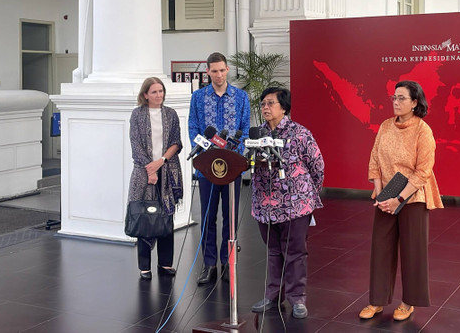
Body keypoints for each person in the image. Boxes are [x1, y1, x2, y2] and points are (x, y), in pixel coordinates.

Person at [359, 80, 443, 321]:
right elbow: (374, 158)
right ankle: (377, 301)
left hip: (412, 197)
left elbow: (423, 171)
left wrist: (399, 198)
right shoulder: (386, 126)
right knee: (380, 249)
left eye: (401, 98)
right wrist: (379, 192)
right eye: (394, 98)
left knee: (413, 251)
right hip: (386, 196)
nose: (396, 102)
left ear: (415, 103)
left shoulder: (422, 130)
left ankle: (409, 303)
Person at [250, 87, 325, 319]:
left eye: (270, 103)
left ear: (284, 107)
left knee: (295, 253)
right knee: (273, 252)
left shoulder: (299, 133)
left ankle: (297, 298)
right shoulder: (256, 134)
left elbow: (317, 166)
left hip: (295, 205)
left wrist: (306, 195)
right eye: (263, 103)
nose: (265, 108)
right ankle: (273, 296)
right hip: (265, 205)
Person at [188, 52, 250, 285]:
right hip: (207, 168)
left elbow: (245, 129)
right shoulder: (197, 97)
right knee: (207, 217)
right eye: (214, 71)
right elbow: (193, 127)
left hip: (232, 168)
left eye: (222, 70)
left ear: (227, 70)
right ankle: (209, 264)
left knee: (230, 217)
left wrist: (236, 154)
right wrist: (206, 154)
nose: (219, 74)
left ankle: (227, 262)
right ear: (208, 72)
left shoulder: (241, 97)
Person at [128, 77, 184, 280]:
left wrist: (160, 162)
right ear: (145, 95)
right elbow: (136, 146)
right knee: (145, 216)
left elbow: (176, 143)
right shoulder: (137, 115)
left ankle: (166, 263)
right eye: (154, 92)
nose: (158, 95)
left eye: (161, 91)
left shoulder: (170, 114)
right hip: (143, 174)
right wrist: (150, 171)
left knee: (165, 215)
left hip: (167, 170)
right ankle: (145, 266)